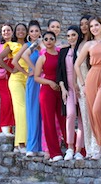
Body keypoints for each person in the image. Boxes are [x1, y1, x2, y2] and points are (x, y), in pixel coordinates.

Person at [74, 15, 101, 158]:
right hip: (91, 77)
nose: (94, 28)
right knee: (92, 113)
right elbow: (77, 65)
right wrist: (82, 84)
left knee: (98, 110)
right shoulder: (88, 45)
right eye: (91, 26)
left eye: (96, 25)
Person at [0, 23, 29, 152]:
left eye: (23, 29)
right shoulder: (12, 45)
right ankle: (20, 143)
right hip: (16, 79)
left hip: (30, 79)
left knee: (29, 111)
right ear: (15, 32)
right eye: (18, 29)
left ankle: (19, 144)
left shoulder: (30, 45)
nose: (21, 32)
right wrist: (11, 70)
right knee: (21, 110)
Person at [34, 30, 66, 162]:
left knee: (64, 119)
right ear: (43, 41)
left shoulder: (61, 54)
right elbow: (36, 77)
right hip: (47, 91)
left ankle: (74, 148)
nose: (48, 41)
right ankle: (54, 152)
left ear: (55, 40)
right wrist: (49, 83)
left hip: (61, 89)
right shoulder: (42, 57)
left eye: (51, 39)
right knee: (49, 122)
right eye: (45, 39)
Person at [12, 20, 43, 156]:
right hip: (32, 81)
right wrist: (27, 72)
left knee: (42, 113)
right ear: (29, 34)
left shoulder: (43, 44)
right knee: (32, 112)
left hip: (44, 80)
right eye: (32, 31)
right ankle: (31, 146)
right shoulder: (28, 45)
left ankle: (42, 146)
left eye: (36, 31)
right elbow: (15, 61)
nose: (34, 33)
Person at [57, 25, 85, 160]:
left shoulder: (82, 50)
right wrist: (63, 88)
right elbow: (59, 73)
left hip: (81, 87)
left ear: (78, 35)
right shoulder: (63, 52)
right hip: (68, 89)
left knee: (82, 118)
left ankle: (79, 150)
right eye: (68, 36)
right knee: (71, 114)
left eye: (73, 35)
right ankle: (69, 147)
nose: (71, 38)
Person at [76, 14, 100, 159]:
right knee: (85, 116)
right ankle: (90, 149)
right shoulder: (79, 44)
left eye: (87, 24)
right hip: (82, 81)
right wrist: (77, 83)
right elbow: (75, 64)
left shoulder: (95, 42)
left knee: (96, 113)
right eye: (82, 24)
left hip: (94, 78)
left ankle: (98, 145)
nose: (84, 26)